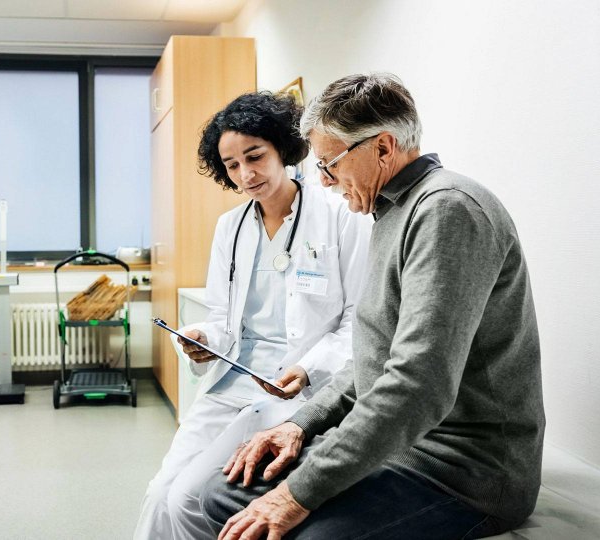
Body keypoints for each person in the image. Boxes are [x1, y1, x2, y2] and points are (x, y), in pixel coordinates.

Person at [200, 73, 545, 540]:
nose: (324, 181)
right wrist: (301, 425)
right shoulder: (390, 211)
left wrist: (296, 494)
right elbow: (373, 358)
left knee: (297, 532)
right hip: (402, 446)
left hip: (462, 471)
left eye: (331, 164)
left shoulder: (447, 211)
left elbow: (416, 386)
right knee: (222, 495)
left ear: (383, 148)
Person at [134, 91, 372, 539]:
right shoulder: (232, 226)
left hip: (292, 391)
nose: (246, 174)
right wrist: (202, 337)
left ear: (282, 147)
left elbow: (358, 319)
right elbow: (223, 317)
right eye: (232, 165)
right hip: (232, 380)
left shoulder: (339, 216)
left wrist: (307, 367)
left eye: (255, 156)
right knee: (160, 491)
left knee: (187, 497)